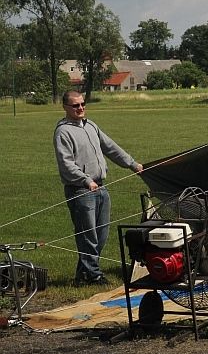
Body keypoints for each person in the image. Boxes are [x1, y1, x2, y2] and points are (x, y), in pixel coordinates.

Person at [53, 90, 143, 286]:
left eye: (83, 104)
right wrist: (85, 180)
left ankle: (82, 275)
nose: (81, 108)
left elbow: (110, 147)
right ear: (66, 107)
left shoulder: (90, 125)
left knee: (101, 236)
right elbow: (66, 164)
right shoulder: (63, 132)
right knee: (88, 236)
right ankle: (93, 276)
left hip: (100, 188)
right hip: (81, 190)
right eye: (76, 105)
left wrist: (132, 164)